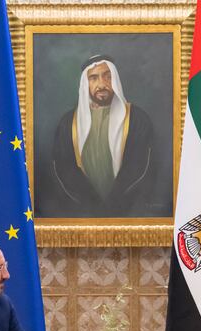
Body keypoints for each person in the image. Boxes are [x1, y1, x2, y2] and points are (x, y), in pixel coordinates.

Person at [43, 54, 156, 217]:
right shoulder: (68, 124)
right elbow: (63, 169)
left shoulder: (138, 119)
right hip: (82, 215)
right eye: (94, 78)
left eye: (108, 77)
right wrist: (92, 204)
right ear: (85, 84)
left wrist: (113, 203)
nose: (102, 84)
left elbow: (140, 168)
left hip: (129, 213)